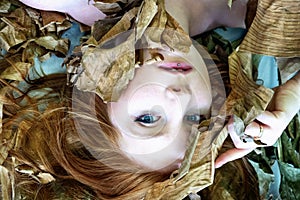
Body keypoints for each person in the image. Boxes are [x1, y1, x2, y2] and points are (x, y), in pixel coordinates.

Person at [0, 0, 299, 199]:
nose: (179, 99)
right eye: (195, 119)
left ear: (96, 99)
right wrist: (293, 94)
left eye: (147, 119)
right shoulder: (265, 19)